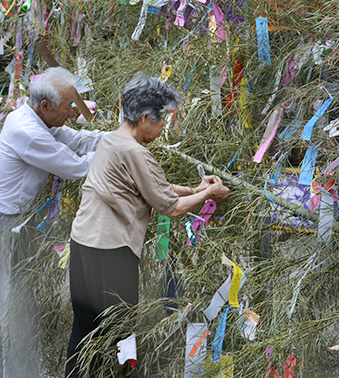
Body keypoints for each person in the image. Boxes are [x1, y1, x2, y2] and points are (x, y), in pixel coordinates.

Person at [65, 73, 230, 378]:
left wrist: (195, 190)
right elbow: (170, 206)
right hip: (111, 252)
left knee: (84, 330)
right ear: (144, 118)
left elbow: (155, 186)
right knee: (121, 334)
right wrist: (209, 193)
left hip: (83, 243)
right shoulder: (135, 152)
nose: (163, 126)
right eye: (162, 119)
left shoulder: (112, 140)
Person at [0, 67, 105, 378]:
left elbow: (74, 138)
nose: (72, 113)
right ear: (46, 106)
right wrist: (124, 157)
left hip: (7, 220)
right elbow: (74, 166)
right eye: (67, 107)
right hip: (4, 223)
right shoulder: (28, 131)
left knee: (2, 302)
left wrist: (116, 141)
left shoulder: (36, 117)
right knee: (12, 309)